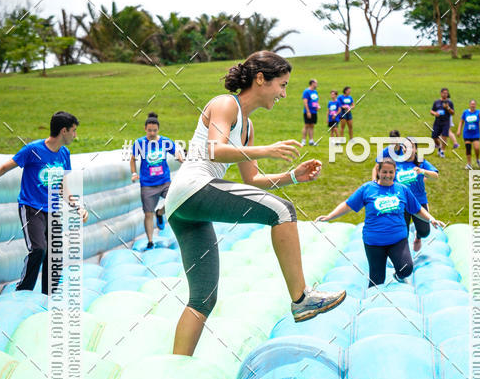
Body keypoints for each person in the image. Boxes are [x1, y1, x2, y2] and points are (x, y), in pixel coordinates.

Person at [164, 51, 346, 356]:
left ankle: (176, 366)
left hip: (185, 207)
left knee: (203, 298)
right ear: (261, 79)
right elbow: (215, 149)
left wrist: (294, 176)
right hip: (193, 187)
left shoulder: (247, 127)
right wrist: (266, 150)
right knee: (283, 210)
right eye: (282, 85)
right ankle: (301, 299)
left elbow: (252, 180)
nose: (284, 94)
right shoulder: (225, 104)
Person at [0, 111, 88, 294]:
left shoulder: (64, 154)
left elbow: (62, 187)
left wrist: (77, 206)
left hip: (52, 209)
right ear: (64, 131)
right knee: (38, 249)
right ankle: (23, 291)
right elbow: (5, 167)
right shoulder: (33, 150)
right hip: (31, 207)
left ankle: (48, 295)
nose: (75, 135)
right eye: (73, 130)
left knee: (55, 254)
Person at [316, 158, 443, 287]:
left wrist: (431, 219)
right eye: (385, 172)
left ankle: (398, 276)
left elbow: (417, 209)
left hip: (397, 240)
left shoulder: (402, 189)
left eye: (391, 172)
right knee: (377, 280)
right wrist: (329, 217)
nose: (388, 175)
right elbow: (348, 205)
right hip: (374, 242)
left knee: (406, 269)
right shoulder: (367, 188)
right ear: (378, 171)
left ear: (395, 172)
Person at [131, 112, 184, 249]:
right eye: (149, 130)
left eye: (154, 130)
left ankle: (160, 213)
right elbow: (133, 159)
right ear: (145, 129)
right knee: (148, 214)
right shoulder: (140, 143)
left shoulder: (165, 142)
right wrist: (134, 173)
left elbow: (176, 152)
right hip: (147, 184)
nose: (152, 133)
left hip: (164, 181)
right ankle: (150, 241)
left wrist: (181, 159)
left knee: (175, 200)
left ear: (158, 129)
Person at [457, 100, 480, 169]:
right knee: (468, 148)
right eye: (471, 104)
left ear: (475, 105)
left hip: (475, 134)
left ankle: (478, 159)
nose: (473, 105)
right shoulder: (465, 112)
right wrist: (459, 130)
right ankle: (469, 164)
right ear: (469, 105)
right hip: (467, 134)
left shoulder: (478, 112)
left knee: (477, 148)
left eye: (474, 104)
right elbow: (461, 122)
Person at [430, 87, 454, 157]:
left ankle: (442, 151)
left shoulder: (449, 102)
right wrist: (435, 113)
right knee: (434, 136)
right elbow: (431, 111)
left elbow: (453, 113)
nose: (445, 94)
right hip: (437, 122)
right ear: (441, 93)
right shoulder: (436, 102)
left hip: (446, 122)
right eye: (444, 93)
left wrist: (448, 108)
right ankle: (439, 147)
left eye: (446, 93)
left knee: (444, 136)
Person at [301, 79, 320, 146]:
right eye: (316, 83)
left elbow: (316, 101)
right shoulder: (306, 91)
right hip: (308, 111)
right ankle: (303, 141)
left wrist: (317, 106)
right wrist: (308, 111)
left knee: (312, 125)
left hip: (314, 111)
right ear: (312, 83)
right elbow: (305, 102)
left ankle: (311, 141)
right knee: (306, 125)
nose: (317, 85)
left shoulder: (315, 92)